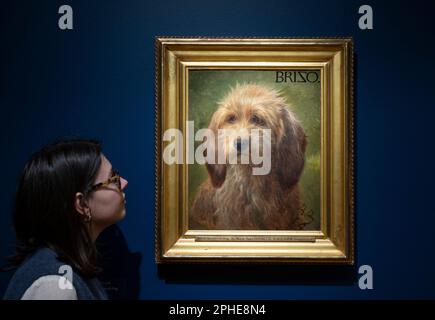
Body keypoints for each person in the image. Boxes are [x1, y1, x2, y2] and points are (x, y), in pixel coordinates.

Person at [3, 139, 128, 300]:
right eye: (113, 179)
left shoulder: (69, 269)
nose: (124, 183)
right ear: (82, 204)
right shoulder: (54, 287)